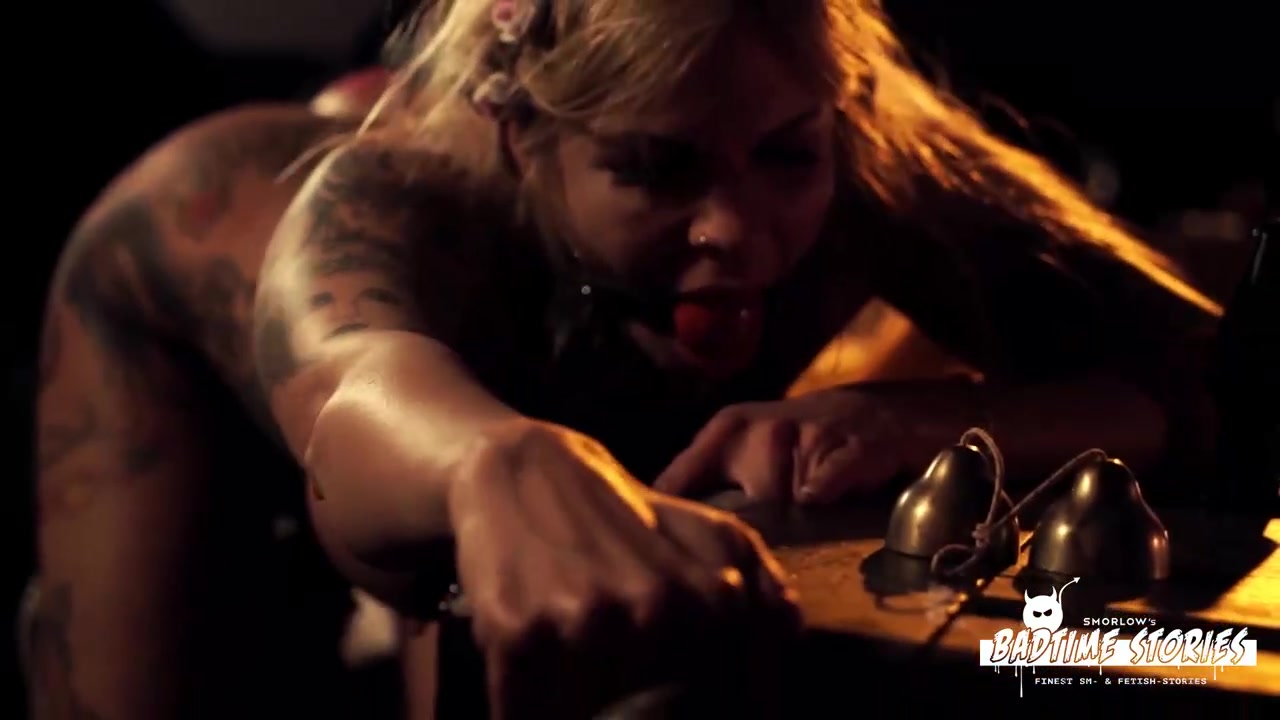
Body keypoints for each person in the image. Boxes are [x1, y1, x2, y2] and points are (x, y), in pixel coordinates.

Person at [30, 0, 1223, 718]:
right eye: (655, 168)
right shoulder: (410, 195)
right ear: (520, 134)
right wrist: (493, 460)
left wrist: (943, 420)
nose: (740, 231)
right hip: (166, 317)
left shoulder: (862, 144)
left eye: (785, 157)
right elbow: (358, 390)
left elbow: (1221, 365)